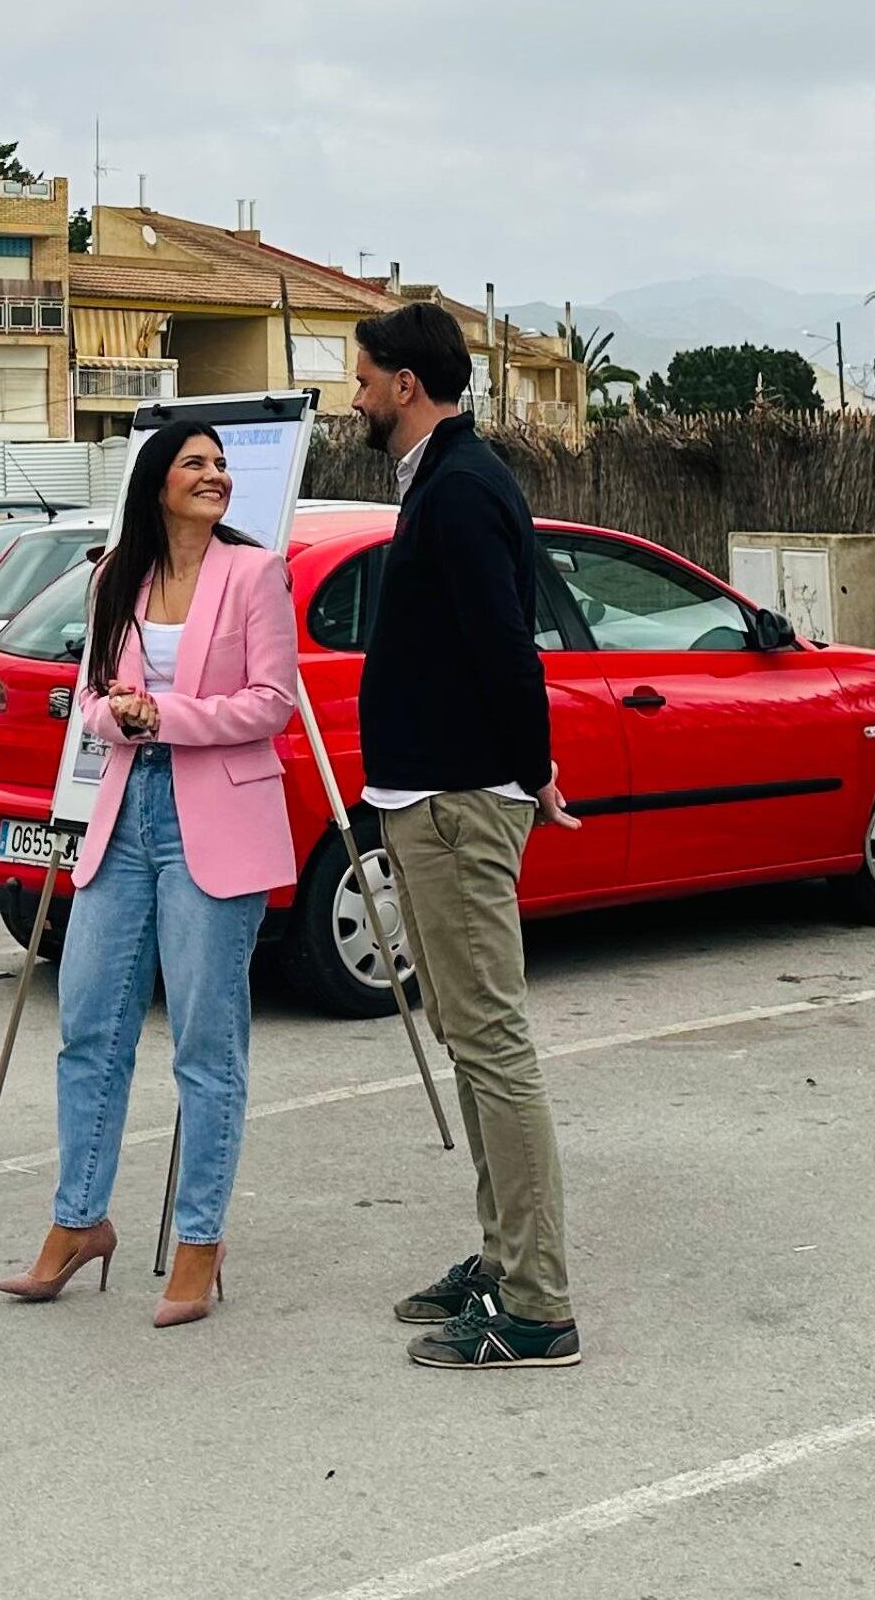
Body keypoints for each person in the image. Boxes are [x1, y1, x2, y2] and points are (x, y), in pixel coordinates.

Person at [0, 421, 297, 1327]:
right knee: (89, 1027)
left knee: (206, 1046)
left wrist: (160, 713)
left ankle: (199, 1242)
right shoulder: (112, 575)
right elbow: (88, 699)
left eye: (218, 465)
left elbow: (271, 705)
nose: (212, 477)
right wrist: (116, 716)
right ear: (155, 483)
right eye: (192, 464)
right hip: (123, 817)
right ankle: (76, 1221)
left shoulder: (254, 574)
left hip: (217, 818)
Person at [349, 300, 584, 1371]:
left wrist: (528, 772)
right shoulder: (437, 480)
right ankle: (499, 1258)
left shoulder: (460, 487)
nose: (352, 396)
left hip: (456, 806)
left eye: (361, 378)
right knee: (466, 1035)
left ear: (405, 382)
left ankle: (537, 1308)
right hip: (427, 800)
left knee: (491, 1043)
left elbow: (506, 642)